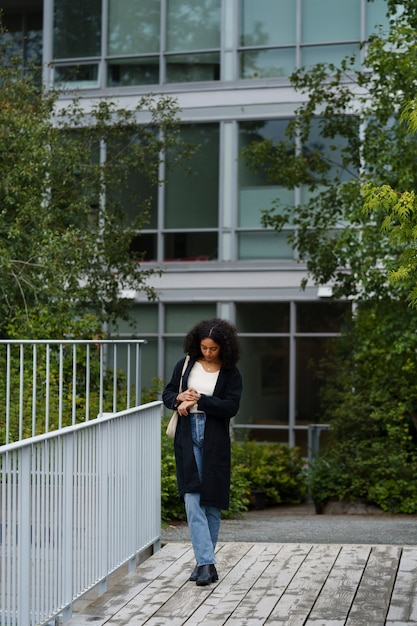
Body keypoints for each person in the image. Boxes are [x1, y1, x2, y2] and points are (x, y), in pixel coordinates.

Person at [162, 318, 242, 586]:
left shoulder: (231, 374)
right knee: (192, 498)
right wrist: (180, 398)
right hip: (187, 435)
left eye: (213, 349)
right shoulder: (185, 365)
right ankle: (207, 563)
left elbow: (230, 407)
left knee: (212, 502)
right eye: (204, 347)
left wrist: (200, 400)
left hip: (215, 438)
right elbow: (167, 394)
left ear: (224, 348)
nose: (207, 353)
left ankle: (203, 564)